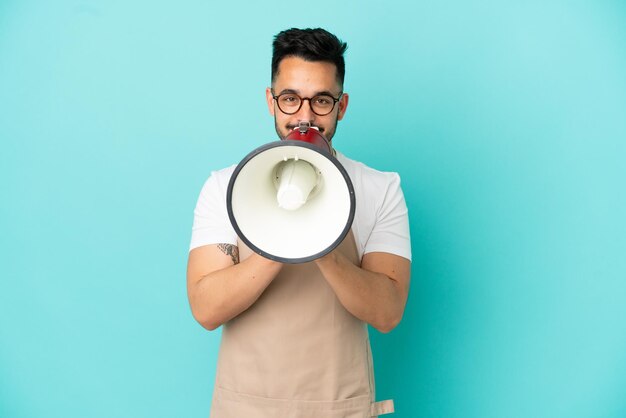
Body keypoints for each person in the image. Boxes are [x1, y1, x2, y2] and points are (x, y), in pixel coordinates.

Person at [187, 28, 411, 418]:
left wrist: (322, 239)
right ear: (270, 102)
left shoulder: (380, 188)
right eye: (290, 99)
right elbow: (206, 309)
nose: (304, 116)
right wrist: (285, 236)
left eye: (321, 100)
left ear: (341, 107)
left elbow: (387, 312)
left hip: (339, 408)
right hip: (244, 408)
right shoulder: (225, 186)